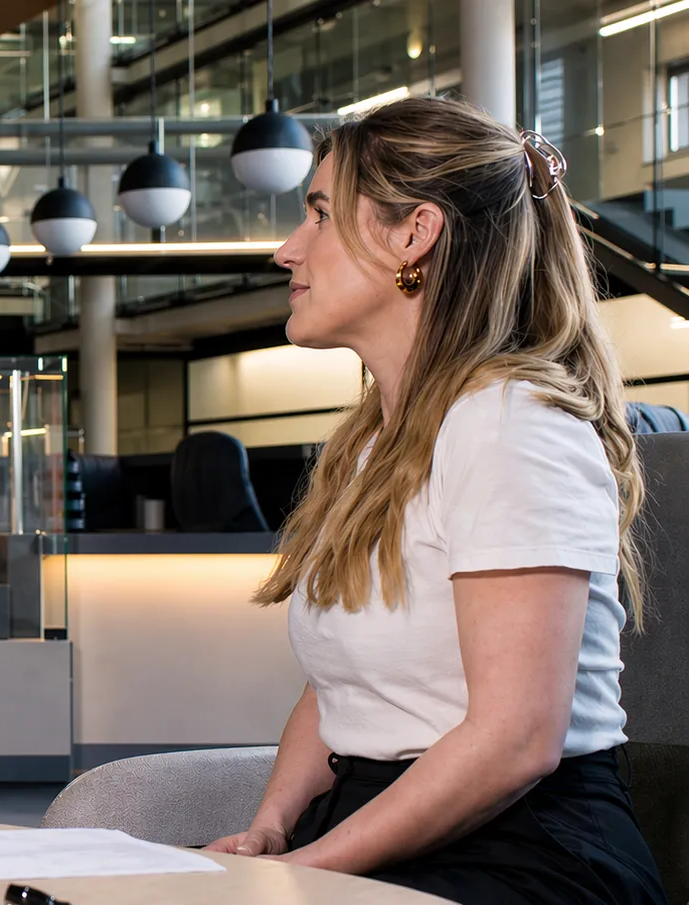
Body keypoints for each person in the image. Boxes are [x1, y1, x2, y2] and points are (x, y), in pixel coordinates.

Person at [205, 97, 667, 903]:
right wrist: (272, 826)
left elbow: (515, 741)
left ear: (413, 234)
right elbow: (346, 684)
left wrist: (298, 872)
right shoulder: (375, 444)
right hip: (379, 825)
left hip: (525, 851)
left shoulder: (512, 426)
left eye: (318, 214)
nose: (288, 250)